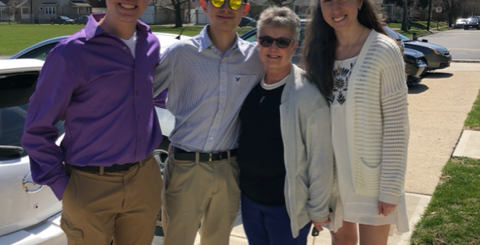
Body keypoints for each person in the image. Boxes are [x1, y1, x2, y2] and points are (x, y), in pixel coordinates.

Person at [21, 0, 164, 243]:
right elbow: (36, 130)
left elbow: (156, 97)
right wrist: (64, 188)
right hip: (89, 185)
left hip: (144, 179)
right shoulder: (71, 52)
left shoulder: (150, 45)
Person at [152, 0, 265, 244]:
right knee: (177, 239)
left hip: (230, 168)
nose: (226, 8)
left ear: (245, 9)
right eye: (217, 1)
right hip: (185, 166)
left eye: (234, 2)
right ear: (204, 5)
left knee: (217, 240)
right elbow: (142, 96)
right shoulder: (180, 53)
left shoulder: (255, 58)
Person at [302, 0, 410, 244]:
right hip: (333, 178)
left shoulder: (384, 49)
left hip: (372, 178)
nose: (336, 9)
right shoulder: (319, 52)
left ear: (360, 1)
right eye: (327, 1)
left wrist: (391, 186)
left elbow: (397, 124)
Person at [236, 7, 334, 245]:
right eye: (267, 40)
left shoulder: (307, 94)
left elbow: (320, 157)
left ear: (294, 45)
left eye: (282, 42)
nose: (273, 48)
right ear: (257, 42)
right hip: (250, 201)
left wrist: (318, 209)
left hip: (286, 207)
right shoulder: (250, 84)